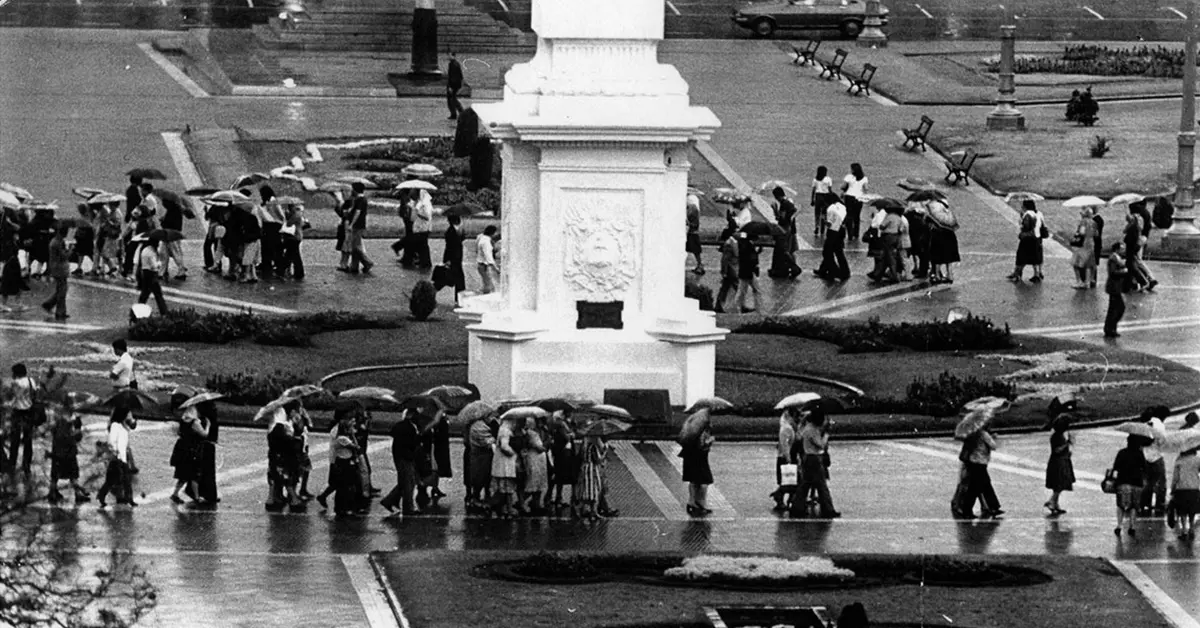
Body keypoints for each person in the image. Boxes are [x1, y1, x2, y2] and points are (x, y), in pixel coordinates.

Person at [791, 410, 840, 518]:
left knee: (805, 484)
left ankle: (797, 508)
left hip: (809, 458)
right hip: (814, 458)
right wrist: (826, 433)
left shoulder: (809, 428)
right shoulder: (812, 430)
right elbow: (820, 444)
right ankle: (828, 509)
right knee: (822, 486)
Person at [48, 397, 89, 504]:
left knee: (55, 473)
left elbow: (52, 431)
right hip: (69, 450)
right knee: (73, 473)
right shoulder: (75, 420)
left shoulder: (56, 418)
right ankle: (78, 493)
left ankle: (52, 492)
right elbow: (78, 436)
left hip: (57, 449)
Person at [381, 409, 421, 516]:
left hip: (401, 457)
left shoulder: (402, 426)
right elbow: (412, 443)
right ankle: (408, 508)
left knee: (405, 481)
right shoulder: (409, 428)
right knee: (408, 482)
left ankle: (390, 500)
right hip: (406, 458)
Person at [2, 363, 40, 475]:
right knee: (28, 441)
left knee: (15, 440)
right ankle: (26, 465)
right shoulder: (30, 381)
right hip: (29, 412)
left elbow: (10, 396)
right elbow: (35, 393)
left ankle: (12, 465)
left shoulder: (15, 383)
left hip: (17, 413)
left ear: (16, 373)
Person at [960, 426, 1003, 519]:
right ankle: (967, 510)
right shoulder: (983, 434)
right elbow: (993, 446)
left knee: (985, 485)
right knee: (976, 487)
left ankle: (993, 506)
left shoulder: (972, 433)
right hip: (980, 463)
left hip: (973, 462)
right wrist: (993, 438)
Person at [97, 407, 136, 508]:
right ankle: (101, 495)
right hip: (116, 457)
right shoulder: (115, 426)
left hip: (122, 456)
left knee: (126, 479)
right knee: (112, 480)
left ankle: (129, 499)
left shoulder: (122, 425)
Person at [169, 405, 208, 505]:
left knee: (183, 475)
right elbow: (204, 434)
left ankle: (175, 494)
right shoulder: (194, 423)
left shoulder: (183, 421)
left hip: (182, 450)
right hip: (192, 450)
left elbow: (178, 432)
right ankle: (196, 497)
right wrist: (208, 425)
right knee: (194, 474)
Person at [1112, 434, 1147, 537]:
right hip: (1136, 483)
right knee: (1134, 506)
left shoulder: (1122, 453)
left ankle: (1119, 525)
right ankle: (1132, 526)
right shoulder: (1140, 454)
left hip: (1123, 482)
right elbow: (1144, 468)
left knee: (1120, 505)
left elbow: (1116, 467)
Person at [340, 182, 375, 274]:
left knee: (355, 247)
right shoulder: (359, 199)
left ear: (355, 190)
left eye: (352, 189)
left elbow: (357, 212)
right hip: (359, 225)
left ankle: (367, 262)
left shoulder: (360, 200)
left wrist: (351, 224)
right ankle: (354, 266)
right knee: (355, 245)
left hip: (357, 225)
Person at [1044, 414, 1075, 516]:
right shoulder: (1057, 437)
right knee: (1061, 483)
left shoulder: (1058, 436)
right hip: (1059, 463)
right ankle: (1052, 501)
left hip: (1059, 461)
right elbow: (1057, 450)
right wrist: (1068, 443)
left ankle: (1056, 504)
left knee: (1058, 484)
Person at [1008, 200, 1046, 282]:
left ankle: (1017, 273)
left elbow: (1025, 227)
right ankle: (1037, 274)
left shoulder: (1027, 215)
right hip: (1038, 238)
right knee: (1036, 257)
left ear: (1025, 207)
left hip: (1027, 239)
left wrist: (1021, 220)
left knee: (1021, 257)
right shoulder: (1039, 213)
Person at [682, 421, 715, 516]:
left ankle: (692, 502)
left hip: (692, 458)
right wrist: (709, 441)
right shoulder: (700, 433)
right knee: (704, 481)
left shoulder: (691, 430)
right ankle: (700, 503)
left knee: (694, 480)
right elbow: (701, 446)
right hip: (699, 459)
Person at [768, 187, 802, 279]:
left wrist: (775, 210)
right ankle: (793, 267)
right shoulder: (789, 201)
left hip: (785, 229)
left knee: (785, 250)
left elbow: (782, 219)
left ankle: (794, 268)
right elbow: (797, 209)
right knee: (792, 249)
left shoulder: (784, 204)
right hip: (791, 229)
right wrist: (792, 217)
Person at [466, 414, 496, 510]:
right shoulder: (479, 426)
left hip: (479, 455)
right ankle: (476, 499)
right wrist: (494, 439)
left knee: (482, 477)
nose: (491, 418)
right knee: (480, 477)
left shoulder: (477, 425)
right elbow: (486, 442)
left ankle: (477, 498)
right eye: (489, 416)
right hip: (481, 456)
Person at [491, 417, 519, 518]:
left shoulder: (502, 429)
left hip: (500, 464)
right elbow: (504, 446)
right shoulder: (506, 431)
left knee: (503, 489)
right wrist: (513, 453)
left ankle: (503, 508)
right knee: (508, 489)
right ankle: (508, 509)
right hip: (505, 464)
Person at [39, 225, 70, 320]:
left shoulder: (57, 241)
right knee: (62, 290)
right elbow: (64, 255)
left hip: (58, 268)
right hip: (59, 269)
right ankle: (59, 311)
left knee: (61, 289)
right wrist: (70, 249)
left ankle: (50, 305)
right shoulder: (57, 243)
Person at [548, 411, 578, 509]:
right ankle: (560, 498)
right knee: (562, 476)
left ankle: (559, 498)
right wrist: (571, 434)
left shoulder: (565, 424)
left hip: (564, 453)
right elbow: (567, 437)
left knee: (562, 476)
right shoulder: (561, 425)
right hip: (563, 453)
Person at [815, 199, 850, 281]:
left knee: (827, 252)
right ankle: (844, 271)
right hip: (841, 230)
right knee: (838, 251)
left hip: (833, 231)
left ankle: (835, 271)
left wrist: (824, 220)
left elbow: (829, 223)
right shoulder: (841, 207)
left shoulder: (831, 209)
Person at [574, 435, 607, 521]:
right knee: (593, 491)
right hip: (592, 470)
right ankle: (582, 508)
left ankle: (594, 511)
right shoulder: (593, 447)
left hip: (585, 469)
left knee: (587, 491)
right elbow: (598, 459)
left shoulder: (585, 446)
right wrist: (605, 452)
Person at [520, 417, 549, 515]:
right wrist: (548, 442)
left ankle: (536, 503)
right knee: (533, 481)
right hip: (534, 459)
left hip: (539, 460)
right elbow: (539, 447)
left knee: (539, 482)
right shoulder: (530, 434)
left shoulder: (537, 432)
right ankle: (522, 502)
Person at [771, 408, 798, 510]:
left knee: (788, 480)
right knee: (787, 481)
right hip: (785, 457)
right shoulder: (787, 428)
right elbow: (785, 445)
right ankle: (779, 497)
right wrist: (788, 458)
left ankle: (781, 497)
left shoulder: (787, 427)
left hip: (784, 456)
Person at [1171, 446, 1200, 540]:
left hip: (1181, 488)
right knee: (1192, 509)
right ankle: (1191, 528)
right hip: (1194, 487)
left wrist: (1172, 489)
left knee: (1182, 510)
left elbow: (1175, 477)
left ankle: (1184, 530)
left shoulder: (1179, 460)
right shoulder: (1197, 459)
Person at [135, 234, 169, 314]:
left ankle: (136, 312)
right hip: (151, 275)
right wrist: (160, 263)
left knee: (144, 295)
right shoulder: (151, 252)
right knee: (158, 295)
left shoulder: (145, 249)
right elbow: (154, 266)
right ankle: (164, 312)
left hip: (145, 274)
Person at [159, 192, 188, 281]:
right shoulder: (174, 210)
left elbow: (168, 223)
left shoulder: (173, 211)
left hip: (171, 235)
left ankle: (181, 270)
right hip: (170, 234)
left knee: (174, 253)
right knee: (164, 253)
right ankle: (162, 271)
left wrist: (163, 221)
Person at [733, 232, 762, 313]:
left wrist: (757, 252)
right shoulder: (747, 245)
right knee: (743, 291)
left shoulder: (745, 243)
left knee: (745, 291)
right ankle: (739, 308)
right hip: (747, 272)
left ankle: (741, 307)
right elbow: (750, 258)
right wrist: (756, 253)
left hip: (747, 271)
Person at [1070, 207, 1098, 289]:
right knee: (1088, 265)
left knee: (1075, 263)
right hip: (1091, 243)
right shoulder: (1094, 222)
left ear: (1085, 214)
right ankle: (1088, 282)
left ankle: (1079, 281)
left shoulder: (1083, 221)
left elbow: (1082, 232)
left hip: (1083, 244)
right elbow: (1096, 234)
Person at [278, 202, 307, 280]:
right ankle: (298, 272)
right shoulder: (299, 214)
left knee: (291, 255)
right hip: (298, 236)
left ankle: (283, 270)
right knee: (294, 255)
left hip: (294, 236)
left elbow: (289, 224)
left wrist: (287, 216)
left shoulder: (296, 215)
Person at [1104, 242, 1127, 338]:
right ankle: (1110, 328)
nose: (1123, 250)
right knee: (1118, 308)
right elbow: (1113, 272)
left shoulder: (1117, 257)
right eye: (1122, 248)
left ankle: (1110, 328)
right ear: (1117, 249)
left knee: (1113, 309)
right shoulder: (1113, 259)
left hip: (1115, 287)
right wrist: (1124, 271)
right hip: (1114, 287)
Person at [713, 232, 740, 313]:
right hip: (730, 269)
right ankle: (740, 304)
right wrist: (724, 271)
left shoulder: (732, 243)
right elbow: (725, 259)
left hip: (731, 269)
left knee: (725, 288)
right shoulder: (729, 244)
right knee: (737, 286)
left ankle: (719, 305)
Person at [840, 163, 868, 241]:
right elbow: (866, 188)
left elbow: (843, 186)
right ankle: (856, 233)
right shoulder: (864, 178)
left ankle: (850, 234)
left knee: (849, 215)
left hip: (849, 197)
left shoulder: (849, 177)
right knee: (857, 216)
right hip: (859, 198)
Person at [442, 214, 466, 305]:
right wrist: (448, 259)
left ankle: (459, 297)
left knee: (457, 278)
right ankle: (460, 298)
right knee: (458, 278)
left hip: (456, 258)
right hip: (453, 258)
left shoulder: (455, 230)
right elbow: (450, 247)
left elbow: (461, 240)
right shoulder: (451, 232)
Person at [1122, 210, 1148, 292]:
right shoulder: (1133, 226)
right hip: (1132, 248)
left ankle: (1143, 281)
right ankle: (1128, 284)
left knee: (1131, 266)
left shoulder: (1133, 227)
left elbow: (1127, 239)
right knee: (1129, 266)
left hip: (1131, 249)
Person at [410, 188, 433, 269]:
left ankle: (426, 263)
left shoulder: (426, 204)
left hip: (424, 228)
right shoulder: (419, 203)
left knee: (423, 246)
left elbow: (427, 216)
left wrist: (418, 214)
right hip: (419, 227)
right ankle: (422, 260)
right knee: (420, 245)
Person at [810, 165, 836, 237]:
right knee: (824, 213)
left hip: (818, 196)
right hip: (826, 196)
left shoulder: (815, 179)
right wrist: (832, 199)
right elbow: (830, 189)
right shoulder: (828, 179)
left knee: (817, 213)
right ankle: (822, 228)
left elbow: (813, 190)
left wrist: (812, 199)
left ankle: (817, 226)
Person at [476, 225, 499, 294]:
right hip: (483, 266)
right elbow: (489, 257)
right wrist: (496, 268)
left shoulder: (481, 237)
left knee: (487, 284)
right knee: (489, 286)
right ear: (492, 233)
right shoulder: (486, 242)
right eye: (495, 233)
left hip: (481, 265)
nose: (496, 234)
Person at [685, 192, 704, 275]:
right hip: (691, 233)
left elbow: (695, 224)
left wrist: (688, 223)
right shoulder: (693, 209)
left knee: (695, 251)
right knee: (695, 251)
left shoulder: (693, 210)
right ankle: (699, 265)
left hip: (692, 233)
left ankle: (700, 265)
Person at [446, 51, 465, 120]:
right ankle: (457, 113)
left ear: (453, 56)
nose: (448, 56)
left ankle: (457, 113)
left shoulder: (453, 64)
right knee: (453, 99)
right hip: (455, 84)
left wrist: (451, 86)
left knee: (452, 99)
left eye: (449, 55)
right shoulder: (455, 64)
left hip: (453, 85)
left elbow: (453, 76)